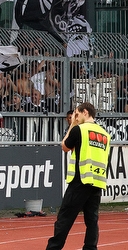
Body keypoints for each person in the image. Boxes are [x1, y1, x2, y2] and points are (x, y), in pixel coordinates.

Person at [44, 102, 111, 250]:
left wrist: (73, 124)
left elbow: (65, 146)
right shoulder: (105, 134)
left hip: (80, 181)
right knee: (92, 220)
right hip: (97, 182)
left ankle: (53, 248)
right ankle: (90, 248)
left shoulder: (79, 129)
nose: (75, 117)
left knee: (64, 219)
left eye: (77, 114)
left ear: (85, 112)